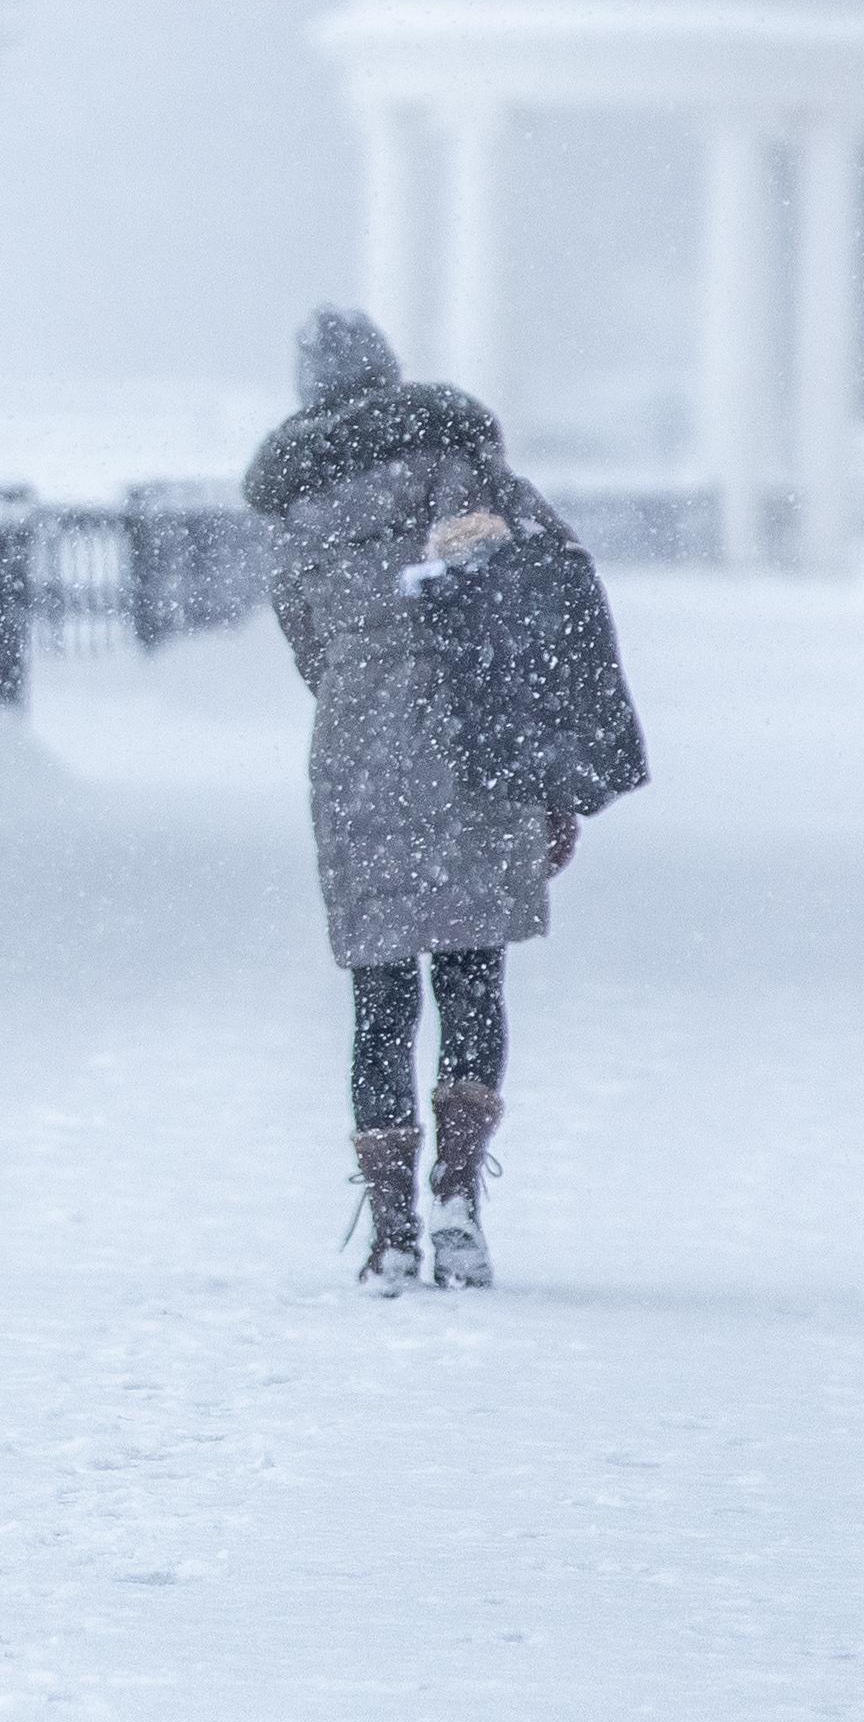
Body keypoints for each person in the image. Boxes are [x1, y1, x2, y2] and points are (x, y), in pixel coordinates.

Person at [244, 306, 615, 1296]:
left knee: (379, 996)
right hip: (473, 737)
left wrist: (370, 685)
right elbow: (541, 599)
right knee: (471, 977)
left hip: (360, 749)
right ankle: (459, 1205)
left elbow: (307, 643)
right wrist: (553, 766)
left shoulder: (299, 504)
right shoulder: (465, 466)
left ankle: (393, 1233)